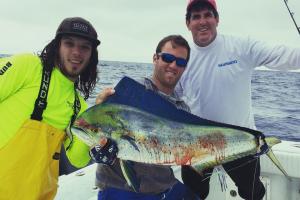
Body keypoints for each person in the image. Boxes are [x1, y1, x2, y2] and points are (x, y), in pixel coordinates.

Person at [176, 0, 300, 199]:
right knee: (192, 195)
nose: (202, 21)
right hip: (197, 146)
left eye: (208, 15)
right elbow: (170, 96)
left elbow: (282, 55)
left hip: (240, 142)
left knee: (253, 193)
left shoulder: (241, 47)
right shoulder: (183, 58)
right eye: (196, 17)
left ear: (217, 19)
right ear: (188, 23)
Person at [0, 17, 100, 200]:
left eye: (85, 47)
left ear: (91, 55)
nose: (77, 52)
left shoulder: (80, 106)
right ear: (57, 46)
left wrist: (98, 116)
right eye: (69, 44)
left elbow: (78, 159)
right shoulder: (28, 66)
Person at [90, 35, 199, 200]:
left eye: (181, 62)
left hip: (164, 186)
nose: (173, 65)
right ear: (155, 58)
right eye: (168, 58)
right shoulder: (129, 93)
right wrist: (99, 108)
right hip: (121, 188)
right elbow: (97, 138)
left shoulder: (182, 109)